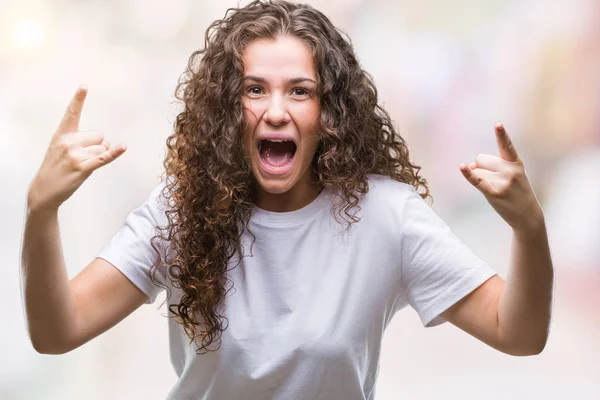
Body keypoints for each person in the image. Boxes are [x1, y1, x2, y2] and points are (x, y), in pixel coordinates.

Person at [20, 1, 554, 399]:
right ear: (229, 108)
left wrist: (530, 230)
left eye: (299, 90)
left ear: (330, 113)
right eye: (255, 90)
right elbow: (56, 330)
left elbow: (520, 333)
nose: (276, 110)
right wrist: (41, 213)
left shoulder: (387, 216)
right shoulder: (181, 209)